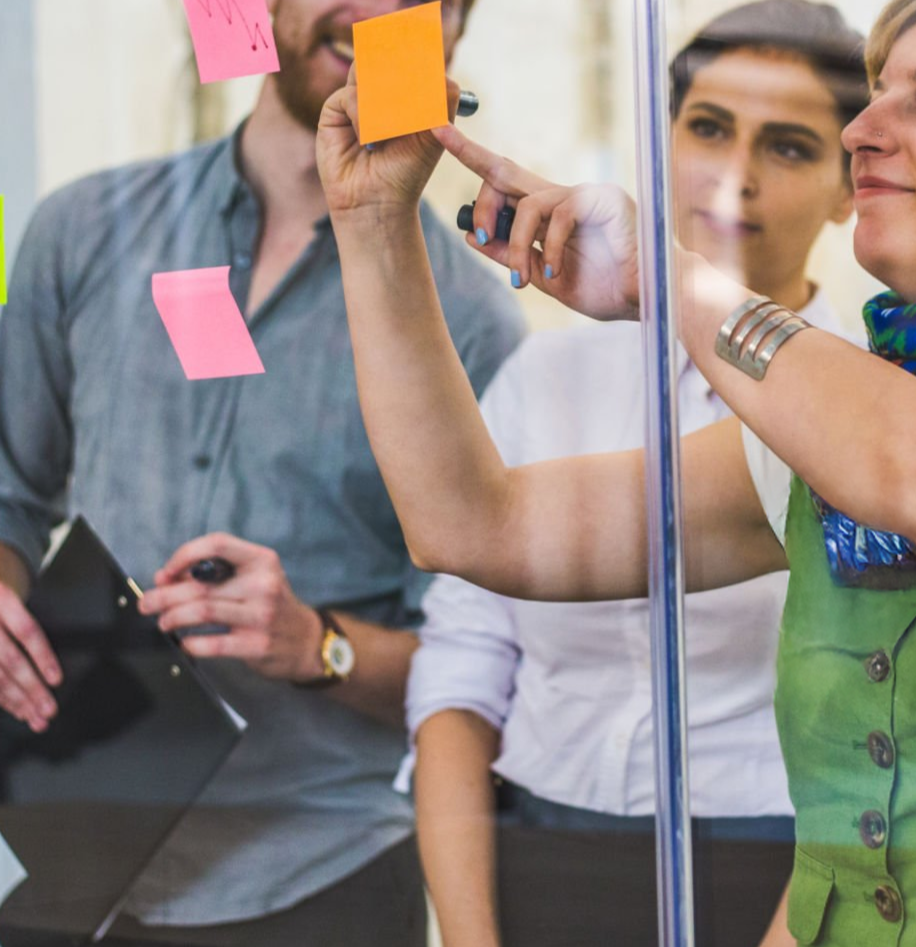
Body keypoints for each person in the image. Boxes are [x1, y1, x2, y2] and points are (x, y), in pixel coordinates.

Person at [315, 0, 916, 941]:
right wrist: (373, 218)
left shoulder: (860, 422)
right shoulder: (824, 425)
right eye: (881, 94)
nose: (864, 132)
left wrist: (664, 275)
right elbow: (474, 528)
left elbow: (893, 460)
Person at [0, 0, 523, 945]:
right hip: (76, 845)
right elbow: (2, 491)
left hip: (322, 875)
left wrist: (319, 644)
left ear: (453, 34)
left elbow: (483, 670)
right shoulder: (82, 230)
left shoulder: (473, 323)